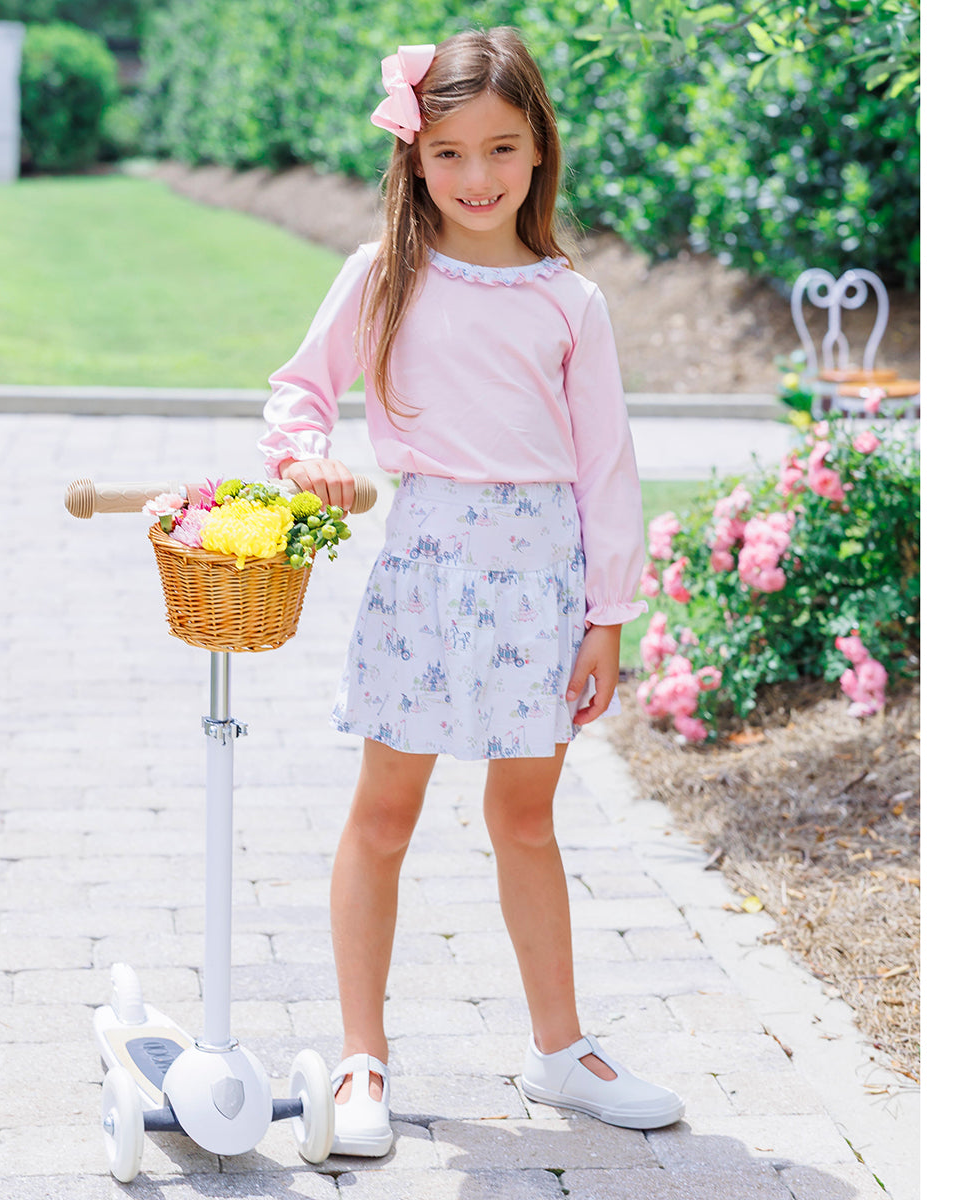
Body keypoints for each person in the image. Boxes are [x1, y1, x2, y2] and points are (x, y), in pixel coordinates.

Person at [258, 26, 684, 1156]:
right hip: (425, 571)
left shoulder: (568, 303)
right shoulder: (383, 274)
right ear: (414, 157)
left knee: (524, 817)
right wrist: (306, 456)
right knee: (383, 816)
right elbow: (301, 391)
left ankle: (564, 1051)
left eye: (503, 148)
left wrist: (608, 619)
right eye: (450, 153)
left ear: (540, 152)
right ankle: (361, 1058)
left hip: (542, 587)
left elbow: (605, 468)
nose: (479, 177)